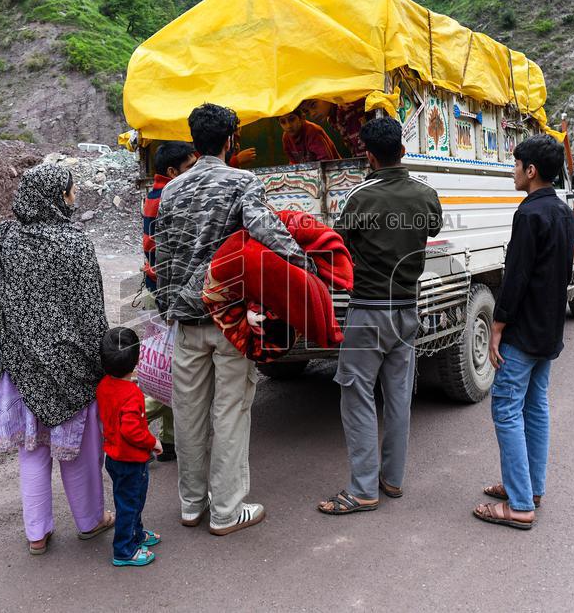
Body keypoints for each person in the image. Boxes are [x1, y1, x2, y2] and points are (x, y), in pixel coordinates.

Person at [153, 103, 316, 535]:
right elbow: (268, 232)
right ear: (230, 140)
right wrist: (306, 266)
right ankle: (226, 510)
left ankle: (191, 505)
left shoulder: (171, 190)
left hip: (186, 320)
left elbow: (161, 254)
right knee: (230, 411)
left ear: (194, 141)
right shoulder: (243, 182)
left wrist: (169, 308)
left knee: (188, 413)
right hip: (230, 320)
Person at [0, 163, 113, 555]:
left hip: (19, 367)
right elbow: (92, 312)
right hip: (70, 367)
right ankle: (90, 521)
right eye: (71, 191)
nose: (74, 197)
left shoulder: (4, 237)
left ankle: (37, 534)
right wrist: (102, 363)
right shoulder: (76, 244)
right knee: (76, 450)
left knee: (32, 451)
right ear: (58, 196)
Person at [318, 117, 442, 515]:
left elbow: (337, 244)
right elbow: (433, 228)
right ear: (402, 151)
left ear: (368, 156)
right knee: (399, 397)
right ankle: (392, 479)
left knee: (357, 395)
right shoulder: (426, 194)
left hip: (369, 312)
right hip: (408, 310)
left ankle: (362, 490)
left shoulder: (360, 196)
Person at [474, 134, 574, 530]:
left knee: (506, 408)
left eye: (516, 166)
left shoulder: (529, 214)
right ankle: (530, 488)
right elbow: (563, 275)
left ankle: (519, 505)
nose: (513, 172)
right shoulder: (564, 213)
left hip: (523, 332)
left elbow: (515, 278)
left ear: (531, 170)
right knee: (535, 407)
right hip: (548, 330)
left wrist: (497, 327)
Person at [141, 141, 197, 463]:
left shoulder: (156, 193)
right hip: (167, 294)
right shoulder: (169, 197)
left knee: (168, 365)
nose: (195, 173)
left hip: (159, 289)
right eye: (191, 167)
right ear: (174, 172)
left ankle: (171, 441)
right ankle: (125, 423)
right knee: (170, 370)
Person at [97, 327, 163, 566]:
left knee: (127, 500)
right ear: (136, 360)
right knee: (130, 503)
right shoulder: (132, 394)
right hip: (131, 460)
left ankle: (136, 534)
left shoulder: (104, 385)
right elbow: (131, 430)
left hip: (114, 457)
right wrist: (153, 441)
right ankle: (124, 550)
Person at [301, 98, 368, 157]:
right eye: (307, 112)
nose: (312, 114)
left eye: (313, 105)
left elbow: (364, 152)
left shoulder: (347, 108)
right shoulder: (332, 118)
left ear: (325, 95)